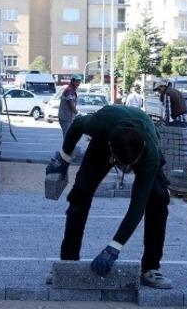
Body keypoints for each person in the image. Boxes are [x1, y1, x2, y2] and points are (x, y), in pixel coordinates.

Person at [44, 105, 173, 289]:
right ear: (112, 151)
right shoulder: (99, 124)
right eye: (122, 165)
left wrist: (114, 247)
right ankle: (68, 262)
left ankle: (151, 267)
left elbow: (137, 206)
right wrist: (64, 160)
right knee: (80, 194)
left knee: (158, 199)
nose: (127, 171)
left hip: (142, 141)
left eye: (130, 166)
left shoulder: (149, 154)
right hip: (107, 136)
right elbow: (76, 126)